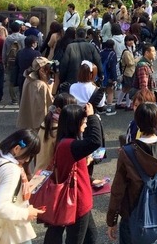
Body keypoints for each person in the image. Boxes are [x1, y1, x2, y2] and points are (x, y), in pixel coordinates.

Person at [107, 102, 157, 243]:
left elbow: (117, 190)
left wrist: (111, 220)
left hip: (131, 211)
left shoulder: (128, 152)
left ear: (137, 123)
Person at [43, 103, 102, 244]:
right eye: (84, 121)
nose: (86, 124)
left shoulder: (65, 142)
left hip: (80, 199)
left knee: (91, 237)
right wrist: (92, 116)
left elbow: (72, 169)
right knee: (77, 240)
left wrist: (90, 178)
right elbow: (95, 141)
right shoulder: (70, 145)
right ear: (76, 123)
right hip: (77, 202)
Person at [34, 93, 77, 172]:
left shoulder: (46, 123)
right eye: (72, 108)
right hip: (51, 176)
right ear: (59, 110)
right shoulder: (59, 129)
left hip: (39, 171)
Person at [16, 57, 54, 131]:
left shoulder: (28, 79)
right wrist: (49, 86)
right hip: (38, 123)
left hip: (27, 118)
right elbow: (48, 103)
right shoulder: (41, 85)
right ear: (42, 70)